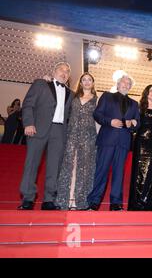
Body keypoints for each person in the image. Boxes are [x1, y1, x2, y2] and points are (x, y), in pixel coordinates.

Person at [18, 62, 74, 210]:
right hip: (37, 128)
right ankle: (28, 198)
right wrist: (28, 123)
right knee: (31, 164)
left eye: (67, 71)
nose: (64, 73)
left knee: (54, 166)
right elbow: (28, 104)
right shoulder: (41, 84)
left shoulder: (71, 93)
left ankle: (49, 199)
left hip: (59, 131)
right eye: (61, 69)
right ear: (53, 71)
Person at [86, 75, 140, 211]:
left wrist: (131, 123)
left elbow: (137, 123)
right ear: (118, 84)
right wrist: (110, 121)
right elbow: (97, 114)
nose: (126, 85)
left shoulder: (134, 104)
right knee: (101, 171)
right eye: (124, 82)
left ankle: (116, 203)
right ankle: (93, 202)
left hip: (123, 143)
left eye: (129, 84)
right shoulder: (107, 96)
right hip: (107, 140)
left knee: (119, 173)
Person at [55, 73, 97, 210]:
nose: (86, 82)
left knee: (84, 168)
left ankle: (79, 200)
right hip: (72, 135)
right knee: (69, 166)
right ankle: (66, 199)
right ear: (80, 83)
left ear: (93, 83)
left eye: (89, 80)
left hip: (89, 137)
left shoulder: (97, 99)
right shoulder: (72, 96)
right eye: (84, 80)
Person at [128, 85, 152, 211]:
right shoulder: (139, 107)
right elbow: (134, 122)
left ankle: (149, 202)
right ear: (146, 92)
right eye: (151, 91)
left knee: (151, 171)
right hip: (141, 141)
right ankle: (137, 203)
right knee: (139, 171)